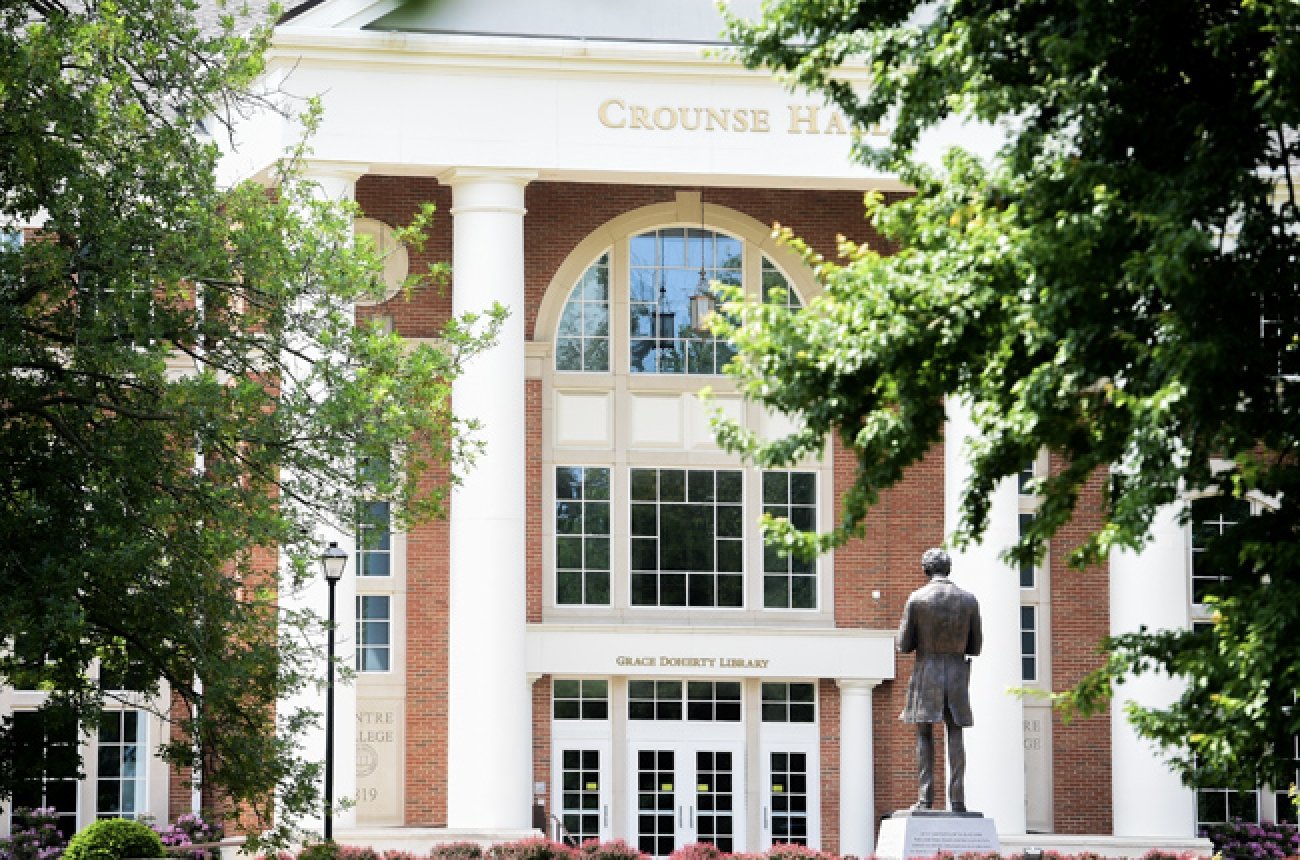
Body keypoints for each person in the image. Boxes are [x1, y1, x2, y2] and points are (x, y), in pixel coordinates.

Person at [896, 547, 983, 812]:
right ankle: (957, 800)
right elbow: (976, 647)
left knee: (924, 734)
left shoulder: (917, 599)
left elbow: (904, 644)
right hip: (956, 671)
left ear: (926, 570)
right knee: (955, 733)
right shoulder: (969, 600)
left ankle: (925, 799)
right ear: (949, 569)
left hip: (928, 671)